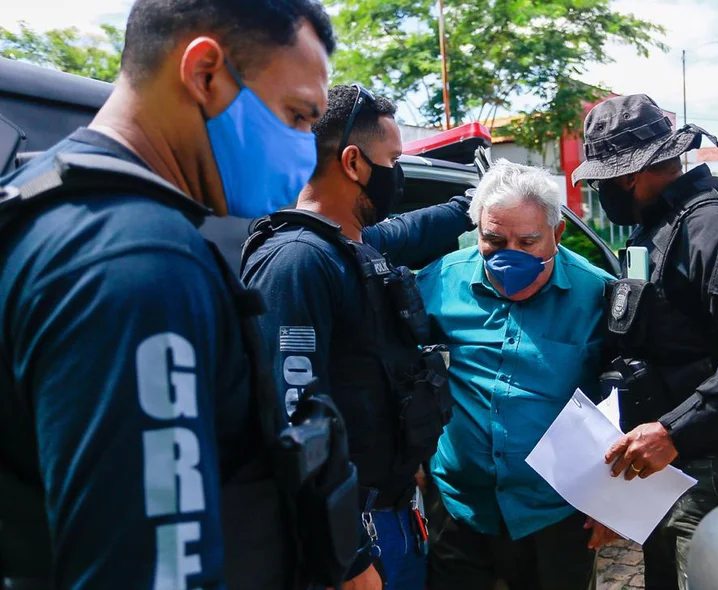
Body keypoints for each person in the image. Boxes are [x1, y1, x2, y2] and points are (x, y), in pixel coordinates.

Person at [0, 1, 349, 589]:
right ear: (205, 73)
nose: (305, 149)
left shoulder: (40, 203)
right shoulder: (137, 262)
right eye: (296, 116)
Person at [571, 94, 718, 590]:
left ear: (628, 176)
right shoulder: (657, 229)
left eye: (599, 182)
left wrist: (675, 429)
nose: (599, 193)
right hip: (672, 471)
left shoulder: (717, 229)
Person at [241, 84, 471, 590]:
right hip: (350, 540)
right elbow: (292, 420)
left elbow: (412, 230)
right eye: (393, 159)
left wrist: (470, 203)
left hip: (389, 514)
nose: (399, 174)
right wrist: (346, 557)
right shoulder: (298, 262)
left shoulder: (350, 246)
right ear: (353, 163)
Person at [416, 160, 616, 590]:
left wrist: (612, 502)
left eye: (528, 242)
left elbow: (622, 401)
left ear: (557, 234)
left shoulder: (598, 294)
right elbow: (403, 372)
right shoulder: (436, 284)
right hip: (459, 507)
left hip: (558, 514)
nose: (510, 255)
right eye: (494, 239)